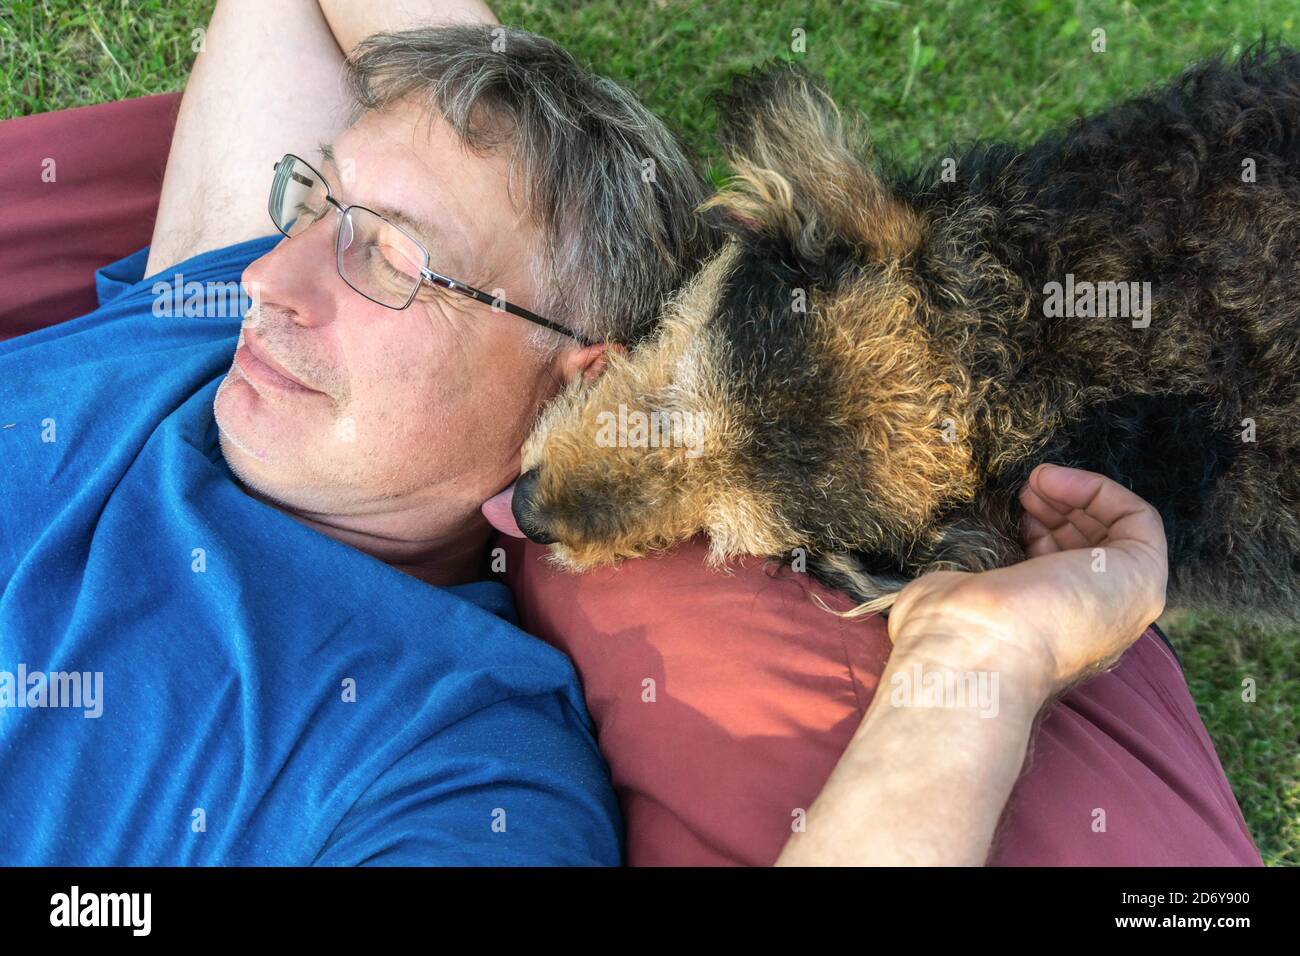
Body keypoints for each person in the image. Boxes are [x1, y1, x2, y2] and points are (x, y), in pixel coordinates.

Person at [0, 0, 1210, 866]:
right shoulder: (211, 330)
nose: (269, 279)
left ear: (580, 378)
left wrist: (980, 659)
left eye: (393, 258)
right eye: (313, 199)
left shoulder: (447, 758)